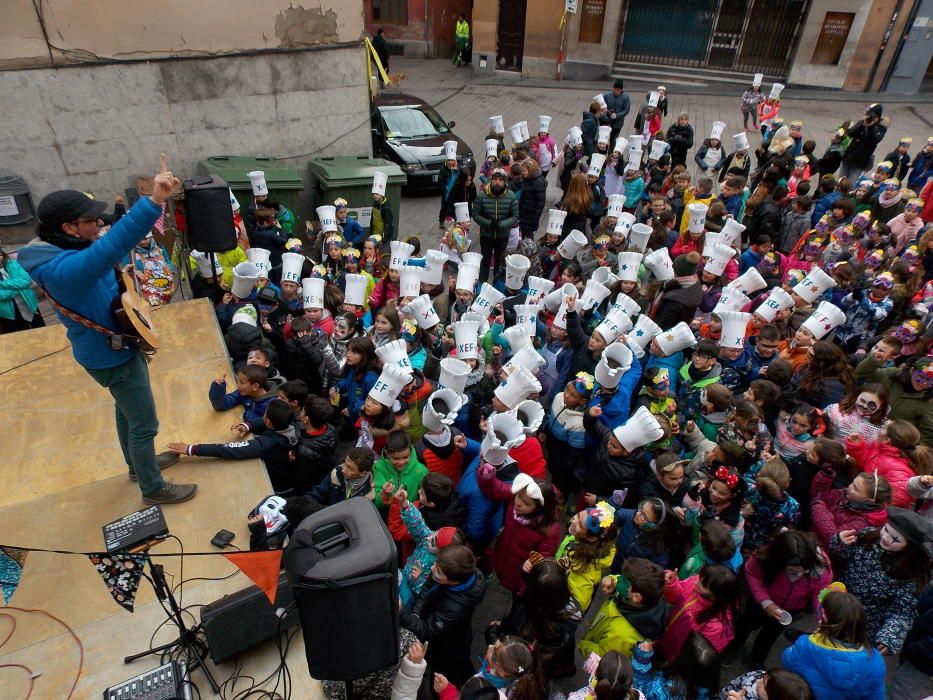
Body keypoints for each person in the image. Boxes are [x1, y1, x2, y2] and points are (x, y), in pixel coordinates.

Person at [18, 155, 194, 504]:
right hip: (111, 354)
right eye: (89, 219)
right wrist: (155, 201)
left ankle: (137, 466)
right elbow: (113, 245)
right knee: (145, 425)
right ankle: (152, 487)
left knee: (125, 411)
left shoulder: (60, 252)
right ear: (69, 228)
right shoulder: (66, 270)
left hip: (105, 350)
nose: (99, 221)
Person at [399, 543, 486, 686]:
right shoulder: (447, 570)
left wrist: (401, 612)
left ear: (454, 582)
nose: (432, 569)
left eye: (438, 572)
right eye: (435, 564)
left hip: (447, 650)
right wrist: (415, 614)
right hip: (444, 633)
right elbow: (427, 589)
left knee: (445, 677)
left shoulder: (454, 609)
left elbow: (427, 630)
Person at [782, 590, 887, 700]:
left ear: (825, 618)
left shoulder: (805, 645)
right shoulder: (875, 659)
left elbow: (787, 659)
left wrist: (816, 636)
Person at [473, 168, 518, 284]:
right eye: (495, 179)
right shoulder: (482, 196)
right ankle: (481, 285)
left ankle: (496, 285)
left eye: (500, 180)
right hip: (486, 235)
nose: (497, 182)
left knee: (499, 262)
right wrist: (489, 223)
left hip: (502, 236)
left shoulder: (511, 197)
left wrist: (502, 224)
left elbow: (515, 216)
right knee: (485, 261)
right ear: (491, 180)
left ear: (505, 182)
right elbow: (476, 215)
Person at [839, 104, 888, 183]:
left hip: (860, 162)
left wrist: (870, 126)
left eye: (873, 116)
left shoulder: (881, 128)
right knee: (840, 182)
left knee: (850, 185)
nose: (870, 117)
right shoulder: (863, 122)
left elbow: (875, 139)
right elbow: (850, 133)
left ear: (878, 117)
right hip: (848, 157)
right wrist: (862, 126)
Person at [0, 248, 43, 333]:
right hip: (8, 314)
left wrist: (3, 284)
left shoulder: (14, 264)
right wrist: (16, 290)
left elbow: (26, 280)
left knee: (42, 332)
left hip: (30, 305)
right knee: (20, 338)